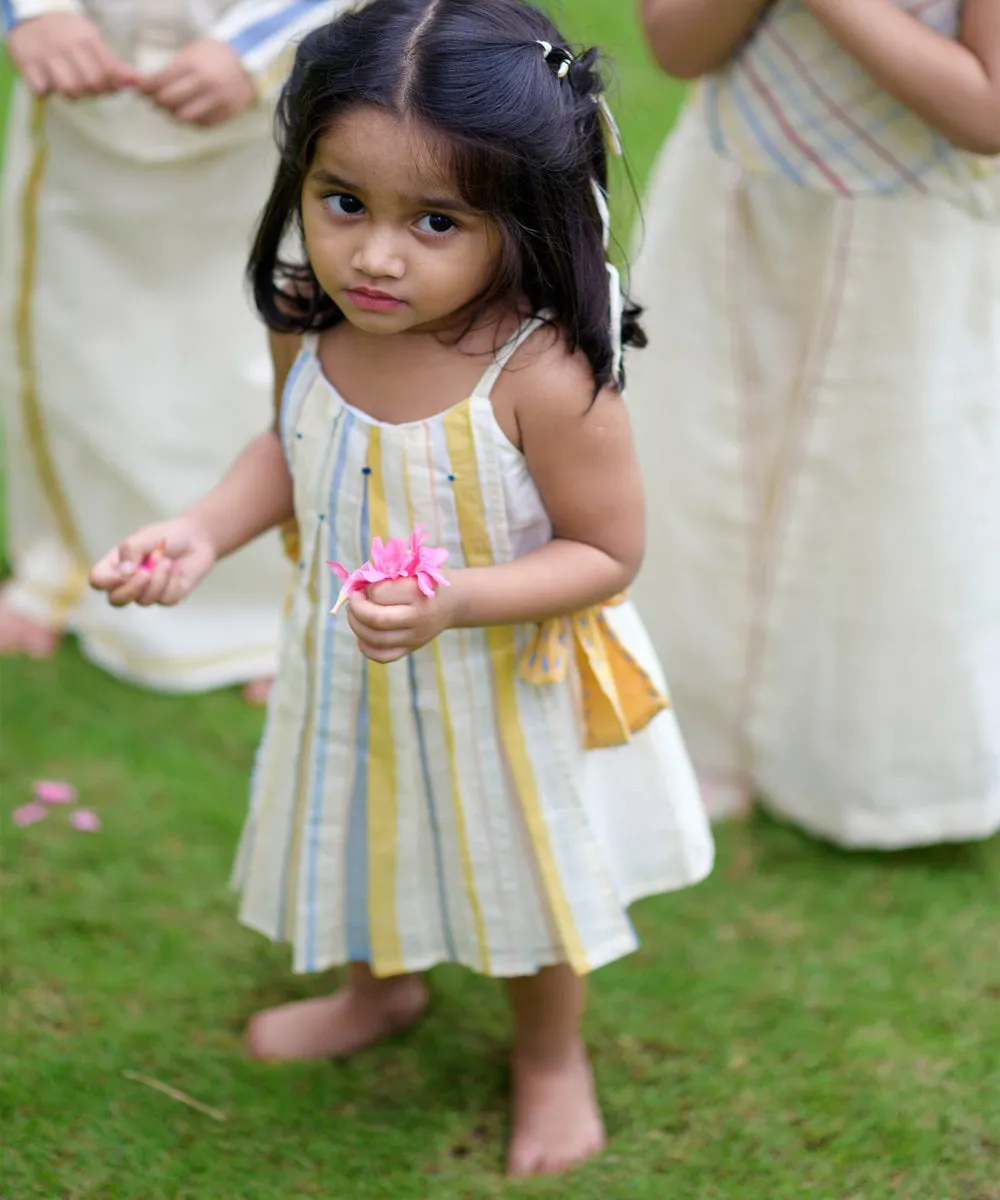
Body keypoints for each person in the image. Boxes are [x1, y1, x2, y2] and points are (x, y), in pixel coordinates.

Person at [90, 0, 715, 1176]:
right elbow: (286, 446)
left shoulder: (543, 371)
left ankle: (544, 1055)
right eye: (344, 202)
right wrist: (197, 531)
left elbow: (605, 554)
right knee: (362, 830)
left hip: (503, 687)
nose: (375, 255)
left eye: (435, 220)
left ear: (518, 215)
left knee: (522, 874)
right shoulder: (310, 319)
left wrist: (454, 603)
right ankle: (377, 991)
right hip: (353, 669)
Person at [627, 0, 1000, 847]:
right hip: (736, 190)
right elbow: (672, 43)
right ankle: (690, 722)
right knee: (701, 460)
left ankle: (869, 766)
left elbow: (987, 112)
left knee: (884, 490)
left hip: (910, 225)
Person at [0, 0, 350, 700]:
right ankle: (64, 562)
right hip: (88, 81)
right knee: (76, 331)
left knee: (249, 350)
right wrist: (36, 12)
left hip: (264, 108)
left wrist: (253, 45)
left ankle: (271, 601)